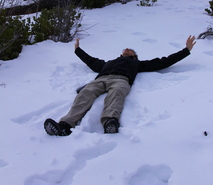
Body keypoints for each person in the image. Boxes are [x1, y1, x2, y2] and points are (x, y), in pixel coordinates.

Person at [44, 35, 196, 136]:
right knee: (85, 93)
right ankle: (64, 125)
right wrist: (77, 50)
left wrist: (186, 50)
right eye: (124, 49)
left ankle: (110, 121)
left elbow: (163, 62)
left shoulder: (137, 64)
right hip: (101, 79)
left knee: (117, 93)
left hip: (120, 80)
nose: (126, 50)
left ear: (133, 55)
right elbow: (91, 61)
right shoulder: (108, 63)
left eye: (129, 50)